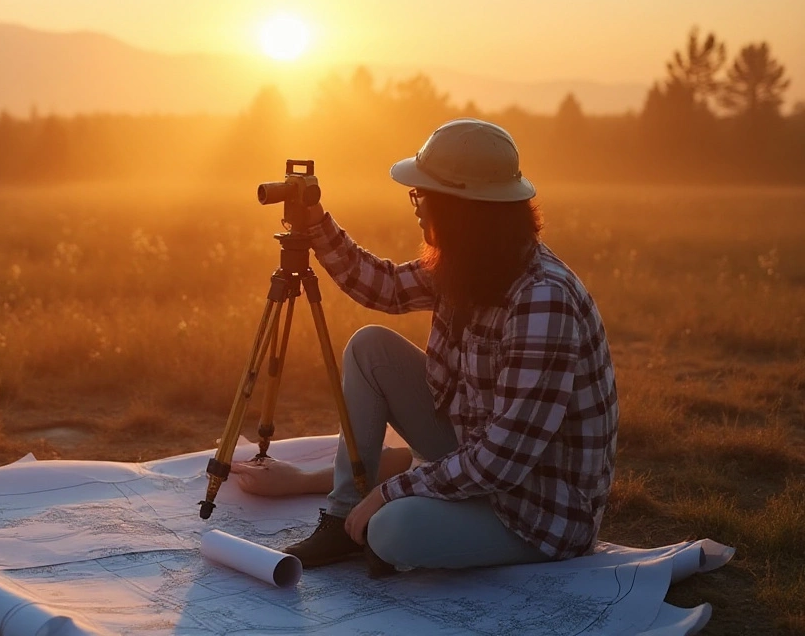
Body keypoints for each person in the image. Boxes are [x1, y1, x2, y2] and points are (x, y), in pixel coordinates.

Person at [230, 118, 618, 575]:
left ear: (461, 209)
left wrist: (393, 491)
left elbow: (502, 460)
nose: (416, 208)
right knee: (369, 348)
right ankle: (341, 519)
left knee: (394, 529)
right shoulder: (472, 261)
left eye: (423, 196)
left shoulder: (542, 299)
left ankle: (386, 528)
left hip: (537, 506)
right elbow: (386, 287)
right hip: (475, 445)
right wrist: (316, 225)